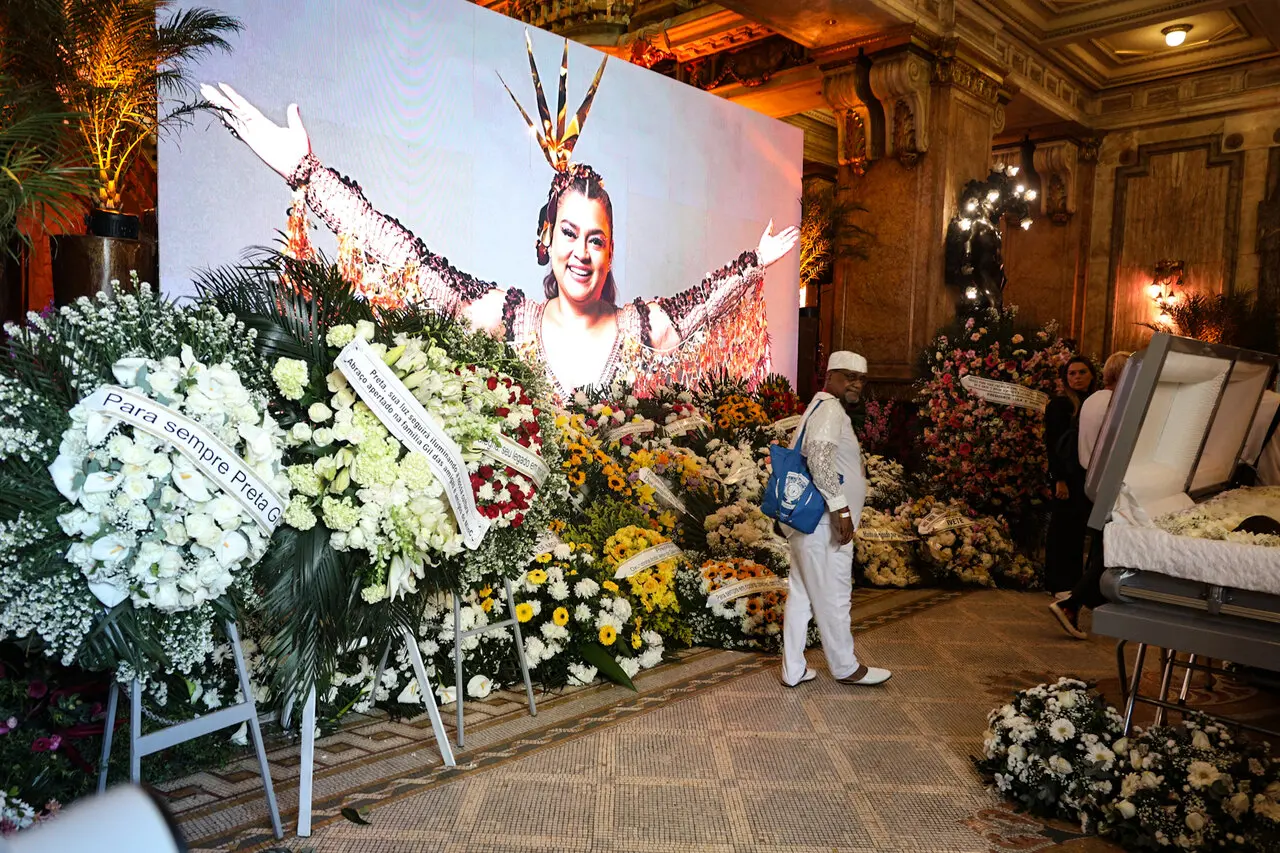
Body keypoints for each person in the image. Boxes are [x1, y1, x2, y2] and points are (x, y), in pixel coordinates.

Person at [200, 39, 799, 403]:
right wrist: (307, 173)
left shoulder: (644, 329)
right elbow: (405, 258)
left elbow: (705, 305)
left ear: (612, 251)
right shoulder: (508, 318)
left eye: (596, 239)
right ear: (548, 238)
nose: (582, 253)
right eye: (569, 234)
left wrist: (754, 262)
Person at [781, 351, 891, 688]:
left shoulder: (819, 406)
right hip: (824, 524)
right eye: (848, 376)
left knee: (801, 593)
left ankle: (794, 668)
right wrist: (841, 509)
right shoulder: (829, 408)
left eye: (861, 379)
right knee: (835, 595)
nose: (856, 384)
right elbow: (818, 458)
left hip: (809, 524)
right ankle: (845, 667)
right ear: (830, 377)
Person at [1047, 351, 1130, 640]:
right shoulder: (1114, 402)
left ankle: (1089, 599)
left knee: (1100, 546)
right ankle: (1074, 602)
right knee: (1107, 547)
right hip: (1110, 484)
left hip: (1089, 481)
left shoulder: (1092, 401)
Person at [1042, 355, 1098, 595]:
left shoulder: (1095, 401)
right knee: (1062, 530)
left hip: (1087, 474)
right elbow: (1052, 445)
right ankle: (1058, 583)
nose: (1077, 377)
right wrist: (1059, 480)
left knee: (1077, 531)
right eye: (1072, 373)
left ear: (1092, 375)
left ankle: (1074, 582)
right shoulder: (1060, 404)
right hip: (1067, 476)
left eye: (1082, 372)